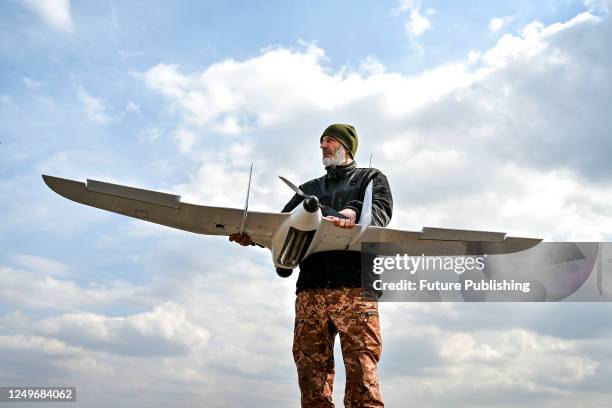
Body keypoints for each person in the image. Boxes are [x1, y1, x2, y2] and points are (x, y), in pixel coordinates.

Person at [230, 124, 393, 407]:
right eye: (321, 141)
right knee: (310, 376)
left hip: (355, 291)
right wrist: (253, 236)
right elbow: (281, 228)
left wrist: (353, 211)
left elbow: (380, 210)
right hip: (310, 293)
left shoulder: (370, 178)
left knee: (362, 374)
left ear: (346, 146)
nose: (323, 146)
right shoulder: (309, 190)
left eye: (329, 140)